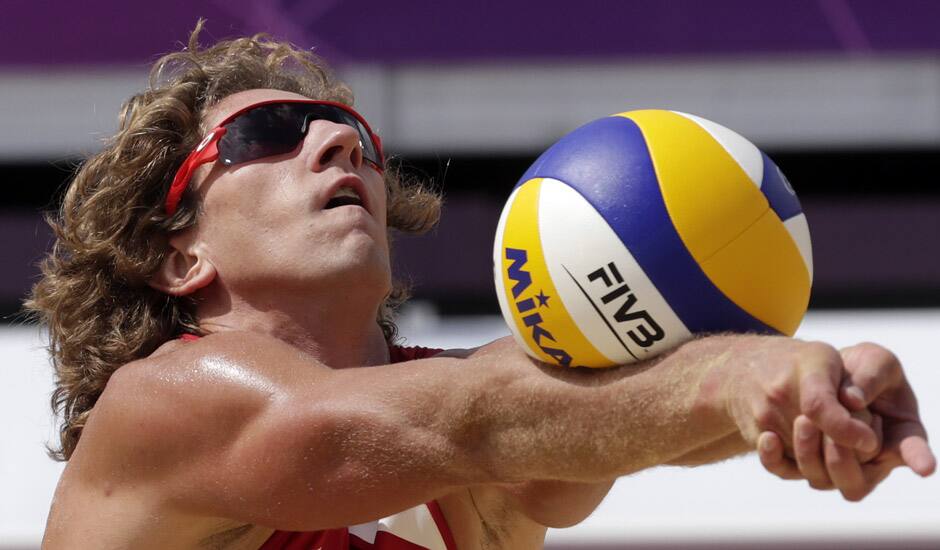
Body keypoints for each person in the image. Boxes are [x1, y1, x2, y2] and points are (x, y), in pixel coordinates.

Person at [28, 24, 934, 550]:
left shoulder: (472, 446)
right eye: (269, 133)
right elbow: (475, 420)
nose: (342, 147)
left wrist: (810, 394)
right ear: (178, 255)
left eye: (358, 139)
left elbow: (599, 419)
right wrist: (743, 381)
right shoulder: (159, 408)